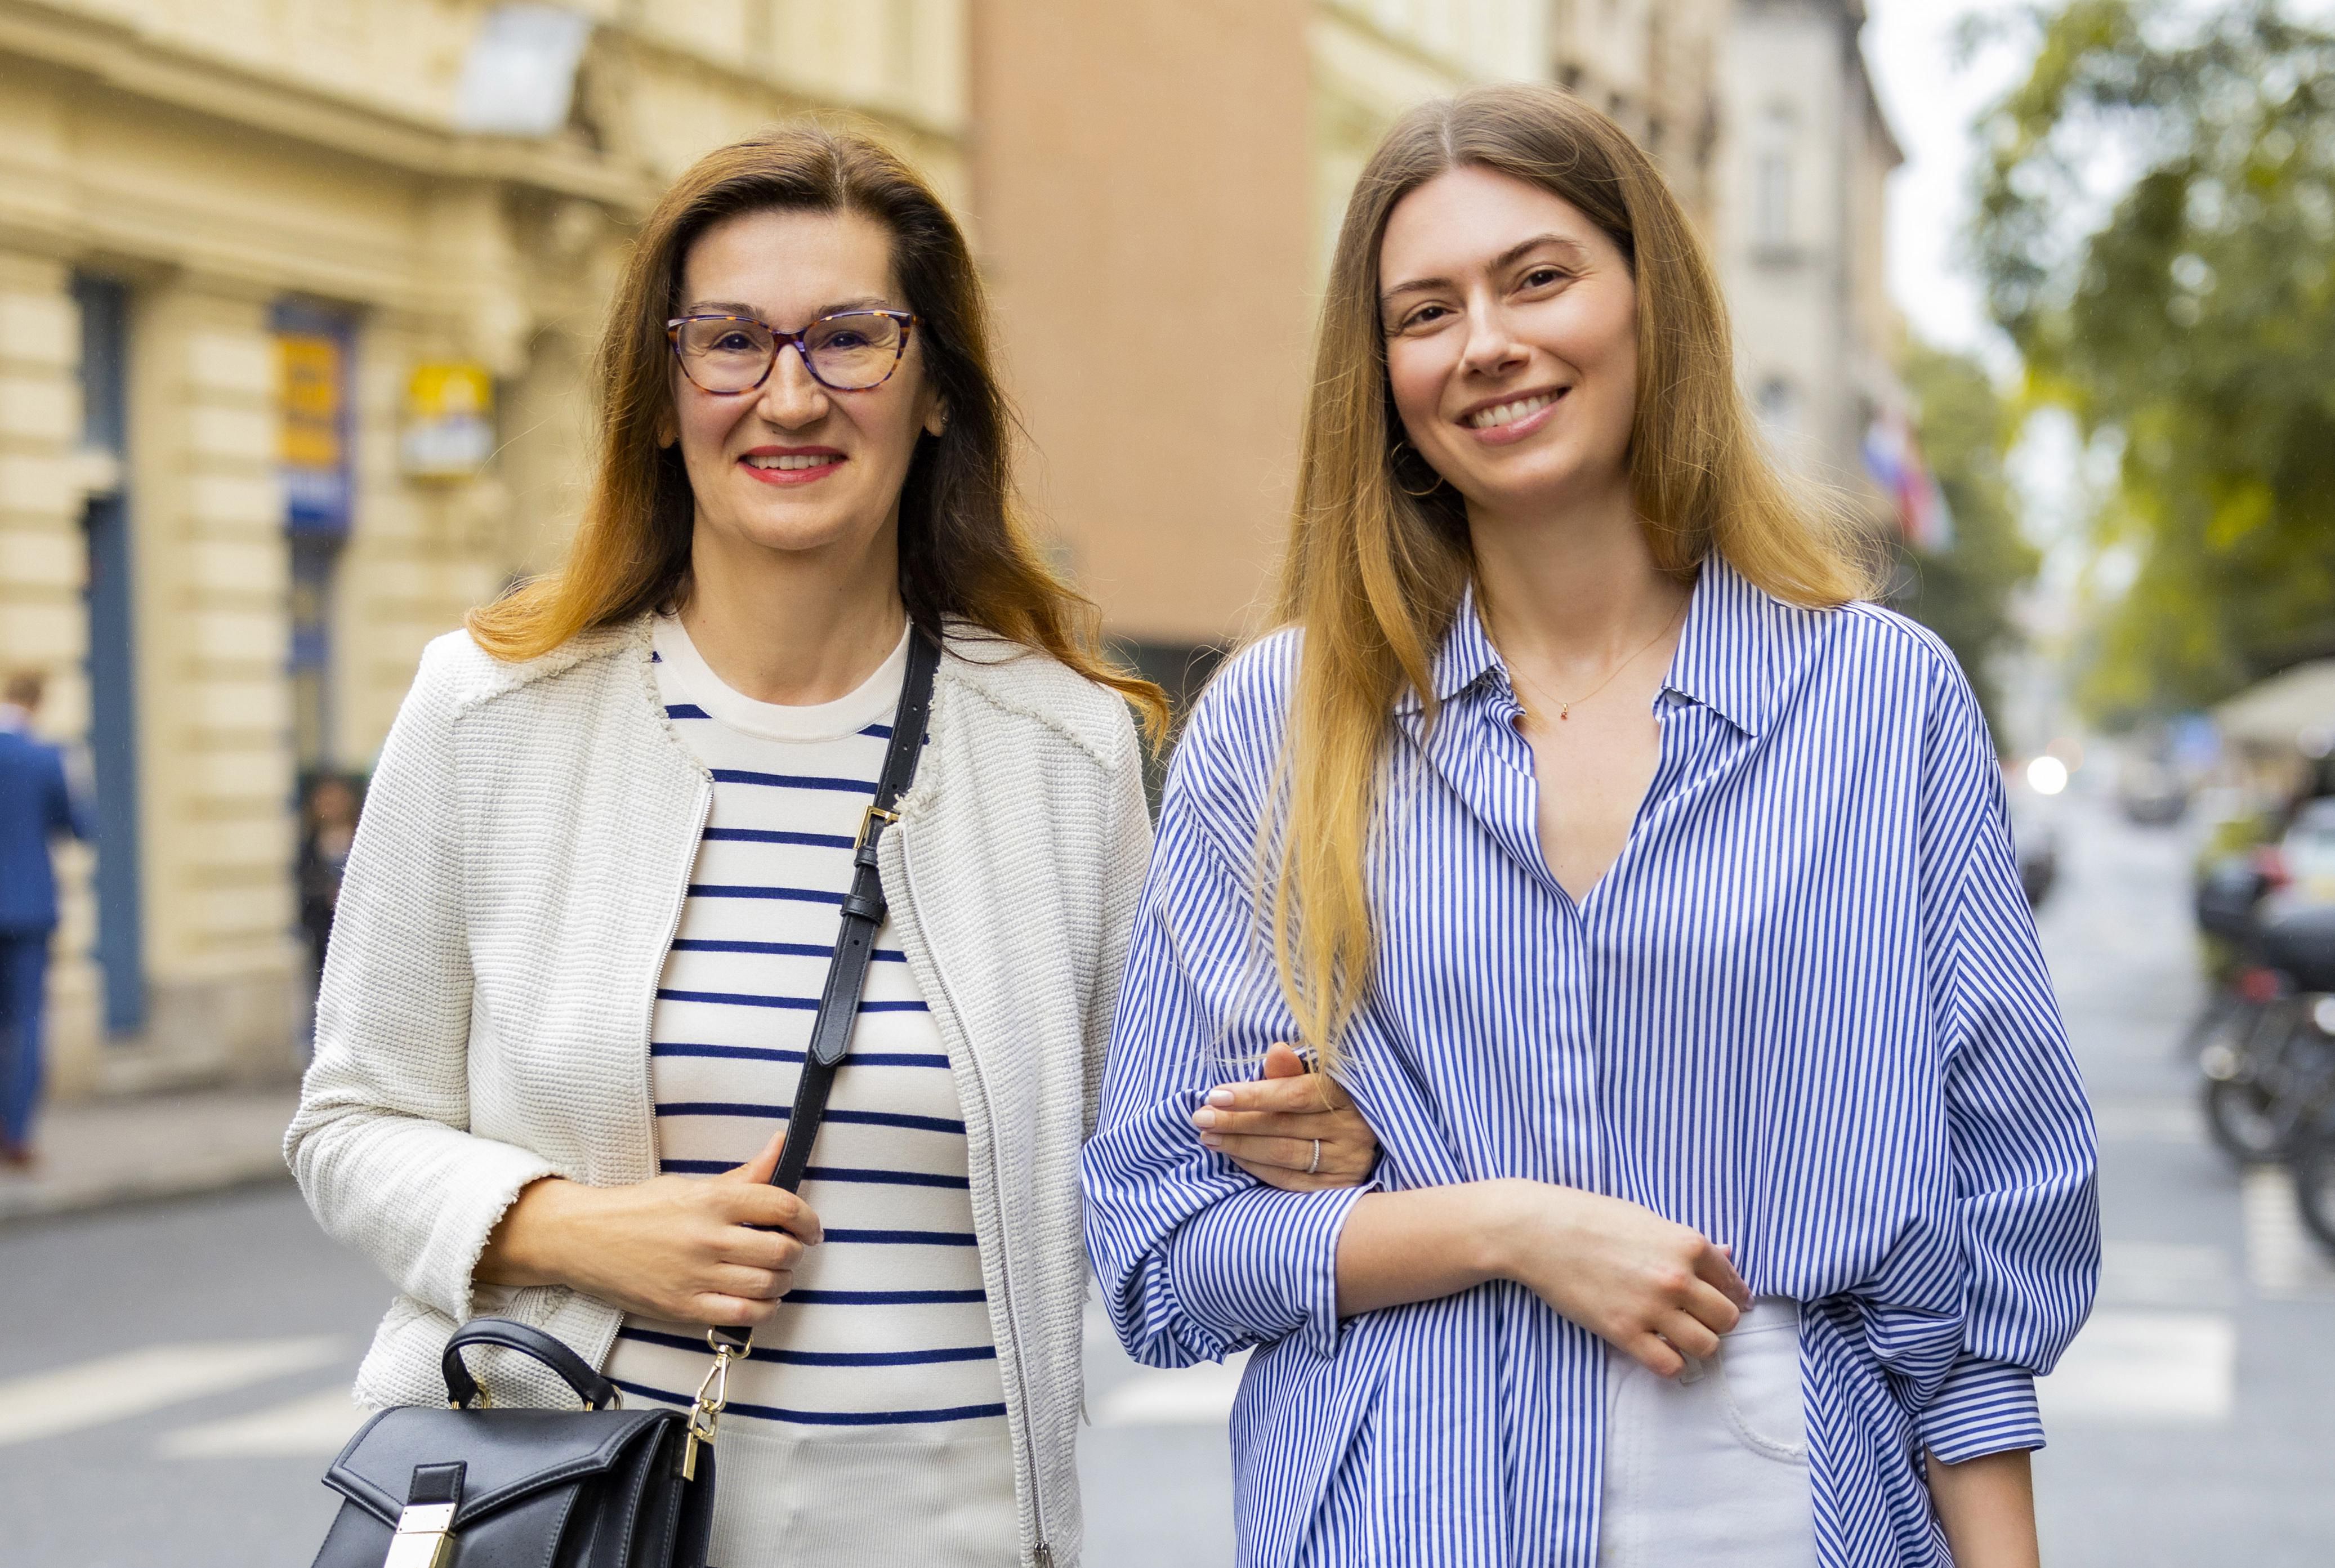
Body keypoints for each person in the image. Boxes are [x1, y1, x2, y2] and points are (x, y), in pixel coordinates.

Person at [285, 123, 1376, 1568]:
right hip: (577, 1518)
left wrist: (1307, 1142)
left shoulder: (1063, 747)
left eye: (850, 338)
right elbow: (351, 1117)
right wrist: (564, 1226)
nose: (787, 393)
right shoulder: (492, 710)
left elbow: (1153, 1158)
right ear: (660, 396)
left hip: (957, 1525)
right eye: (729, 340)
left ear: (932, 391)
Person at [1083, 85, 2097, 1568]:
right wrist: (1500, 1225)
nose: (1486, 341)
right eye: (1424, 311)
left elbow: (1987, 1231)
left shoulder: (1881, 704)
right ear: (1379, 375)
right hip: (1400, 1519)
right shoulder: (1279, 727)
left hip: (1784, 1512)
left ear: (1650, 301)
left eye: (1539, 277)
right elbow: (1161, 1250)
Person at [0, 671, 90, 1171]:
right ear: (38, 702)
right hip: (30, 908)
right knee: (26, 1023)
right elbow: (80, 826)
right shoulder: (46, 757)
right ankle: (16, 1136)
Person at [296, 774, 360, 995]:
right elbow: (303, 886)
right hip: (323, 934)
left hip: (357, 934)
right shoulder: (309, 845)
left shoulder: (360, 840)